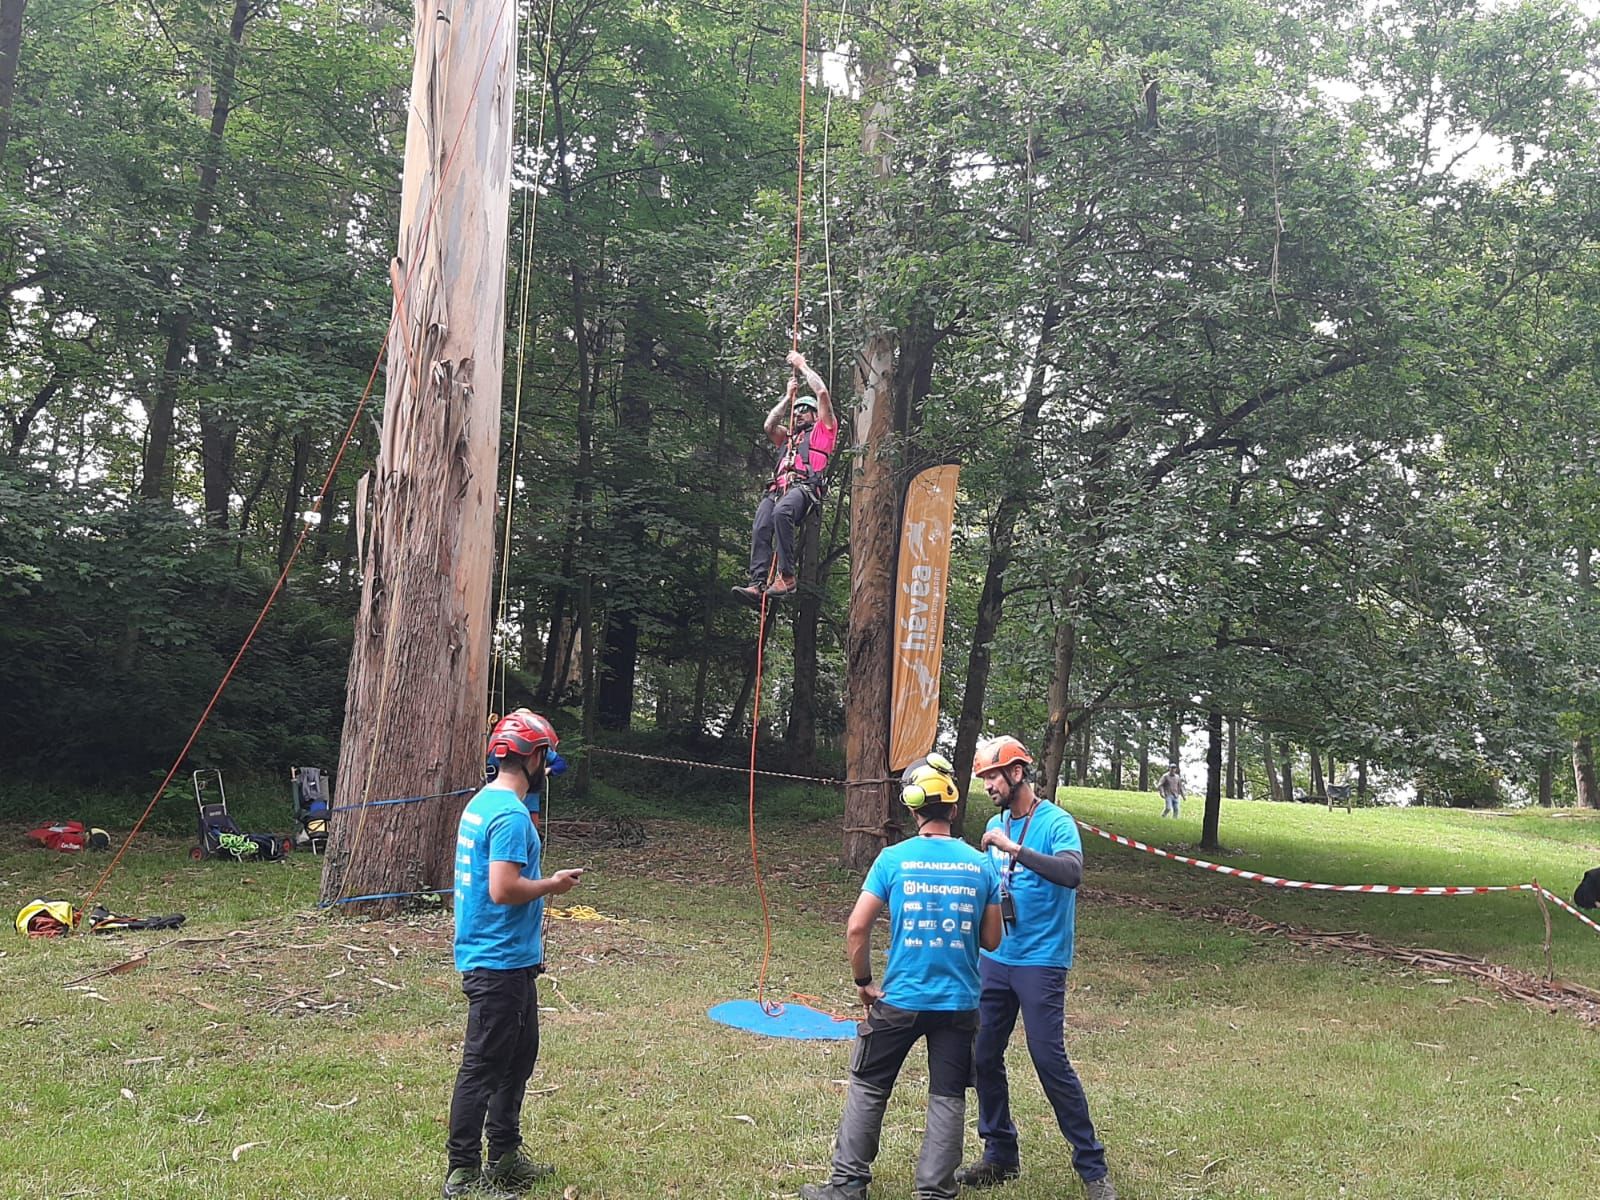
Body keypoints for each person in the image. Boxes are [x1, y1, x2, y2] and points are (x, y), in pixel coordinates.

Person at [798, 753, 1003, 1200]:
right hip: (959, 1004)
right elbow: (992, 940)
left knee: (869, 1086)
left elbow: (857, 926)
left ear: (912, 810)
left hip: (900, 998)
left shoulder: (893, 860)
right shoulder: (980, 864)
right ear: (952, 808)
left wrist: (863, 983)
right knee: (948, 1097)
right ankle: (934, 1191)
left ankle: (848, 1185)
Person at [958, 735, 1118, 1200]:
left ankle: (1092, 1168)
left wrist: (1014, 849)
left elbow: (1072, 873)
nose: (987, 786)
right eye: (984, 778)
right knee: (983, 1055)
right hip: (995, 959)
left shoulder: (1055, 822)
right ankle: (1000, 1154)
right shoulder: (993, 823)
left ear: (1017, 773)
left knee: (1049, 1059)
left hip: (1041, 962)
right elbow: (992, 889)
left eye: (992, 776)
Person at [444, 708, 586, 1199]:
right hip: (497, 961)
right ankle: (463, 1174)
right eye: (546, 756)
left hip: (508, 960)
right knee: (483, 1066)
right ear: (534, 758)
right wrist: (553, 884)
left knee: (518, 1058)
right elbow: (503, 889)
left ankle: (504, 1155)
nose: (548, 767)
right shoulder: (509, 817)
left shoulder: (482, 803)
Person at [734, 349, 837, 604]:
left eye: (805, 409)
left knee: (782, 513)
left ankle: (787, 577)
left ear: (815, 415)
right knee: (761, 525)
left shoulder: (823, 433)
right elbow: (769, 425)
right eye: (797, 410)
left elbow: (822, 393)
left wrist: (802, 365)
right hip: (777, 490)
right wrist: (787, 397)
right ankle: (757, 584)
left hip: (803, 489)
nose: (799, 413)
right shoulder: (788, 438)